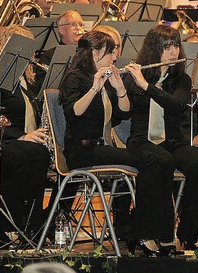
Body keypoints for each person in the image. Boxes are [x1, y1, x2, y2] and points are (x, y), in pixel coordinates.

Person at [59, 31, 163, 254]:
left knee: (155, 159)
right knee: (148, 161)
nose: (115, 58)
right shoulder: (74, 78)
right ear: (95, 54)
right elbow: (73, 112)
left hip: (101, 148)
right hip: (82, 150)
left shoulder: (105, 79)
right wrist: (95, 87)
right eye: (110, 53)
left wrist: (119, 88)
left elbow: (123, 114)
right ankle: (140, 230)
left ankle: (137, 227)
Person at [123, 25, 198, 252]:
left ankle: (186, 232)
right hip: (142, 140)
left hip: (172, 140)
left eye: (176, 46)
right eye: (167, 47)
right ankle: (154, 232)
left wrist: (147, 86)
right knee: (162, 161)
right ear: (154, 50)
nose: (174, 53)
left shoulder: (180, 80)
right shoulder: (135, 77)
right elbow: (121, 111)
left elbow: (178, 105)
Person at [0, 24, 52, 243]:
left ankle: (41, 223)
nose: (31, 54)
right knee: (35, 155)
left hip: (29, 144)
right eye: (24, 48)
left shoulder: (28, 80)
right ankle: (25, 224)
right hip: (6, 143)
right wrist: (20, 136)